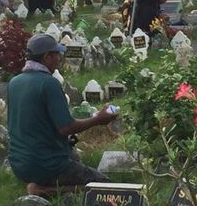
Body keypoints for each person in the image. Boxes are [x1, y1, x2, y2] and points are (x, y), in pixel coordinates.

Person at [7, 34, 118, 194]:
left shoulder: (14, 82)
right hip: (47, 164)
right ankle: (42, 190)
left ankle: (41, 184)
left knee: (73, 157)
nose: (59, 58)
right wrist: (98, 119)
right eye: (56, 54)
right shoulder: (49, 83)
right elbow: (66, 127)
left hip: (19, 164)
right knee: (105, 186)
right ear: (47, 57)